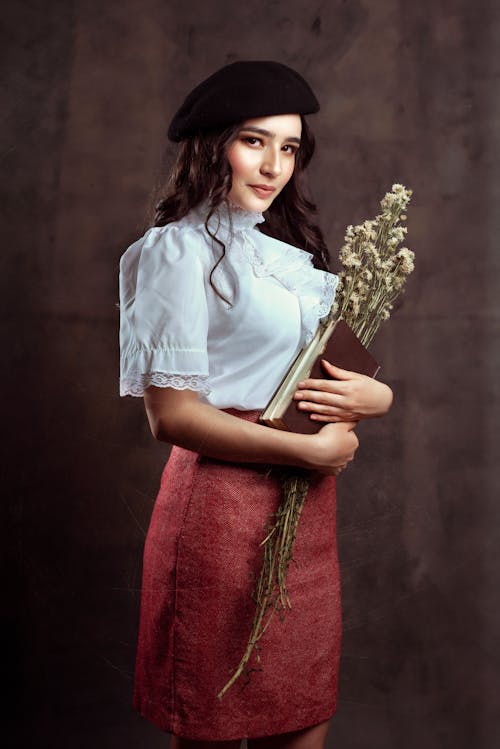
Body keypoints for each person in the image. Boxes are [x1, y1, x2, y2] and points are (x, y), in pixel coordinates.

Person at [119, 60, 393, 749]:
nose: (273, 164)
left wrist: (377, 396)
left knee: (301, 715)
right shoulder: (175, 253)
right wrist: (309, 449)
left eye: (289, 147)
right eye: (254, 141)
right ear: (212, 145)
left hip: (305, 517)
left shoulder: (291, 260)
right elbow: (171, 417)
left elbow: (335, 370)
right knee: (211, 722)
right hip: (217, 511)